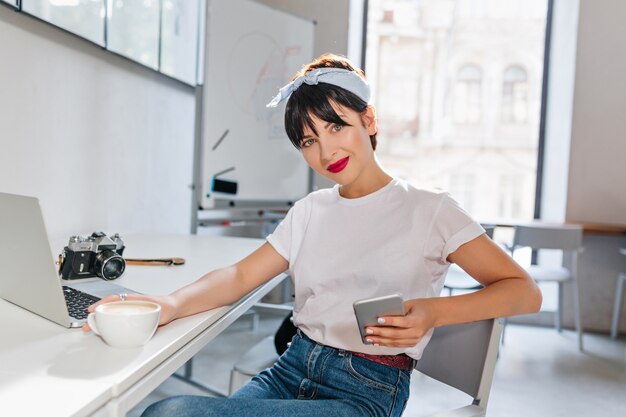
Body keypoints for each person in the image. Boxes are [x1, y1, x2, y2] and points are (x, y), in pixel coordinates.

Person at [86, 53, 542, 417]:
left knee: (170, 413)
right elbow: (239, 276)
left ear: (370, 120)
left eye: (336, 126)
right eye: (308, 140)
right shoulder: (310, 210)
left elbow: (525, 291)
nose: (326, 150)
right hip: (289, 370)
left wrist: (434, 312)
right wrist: (167, 305)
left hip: (365, 393)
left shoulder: (430, 208)